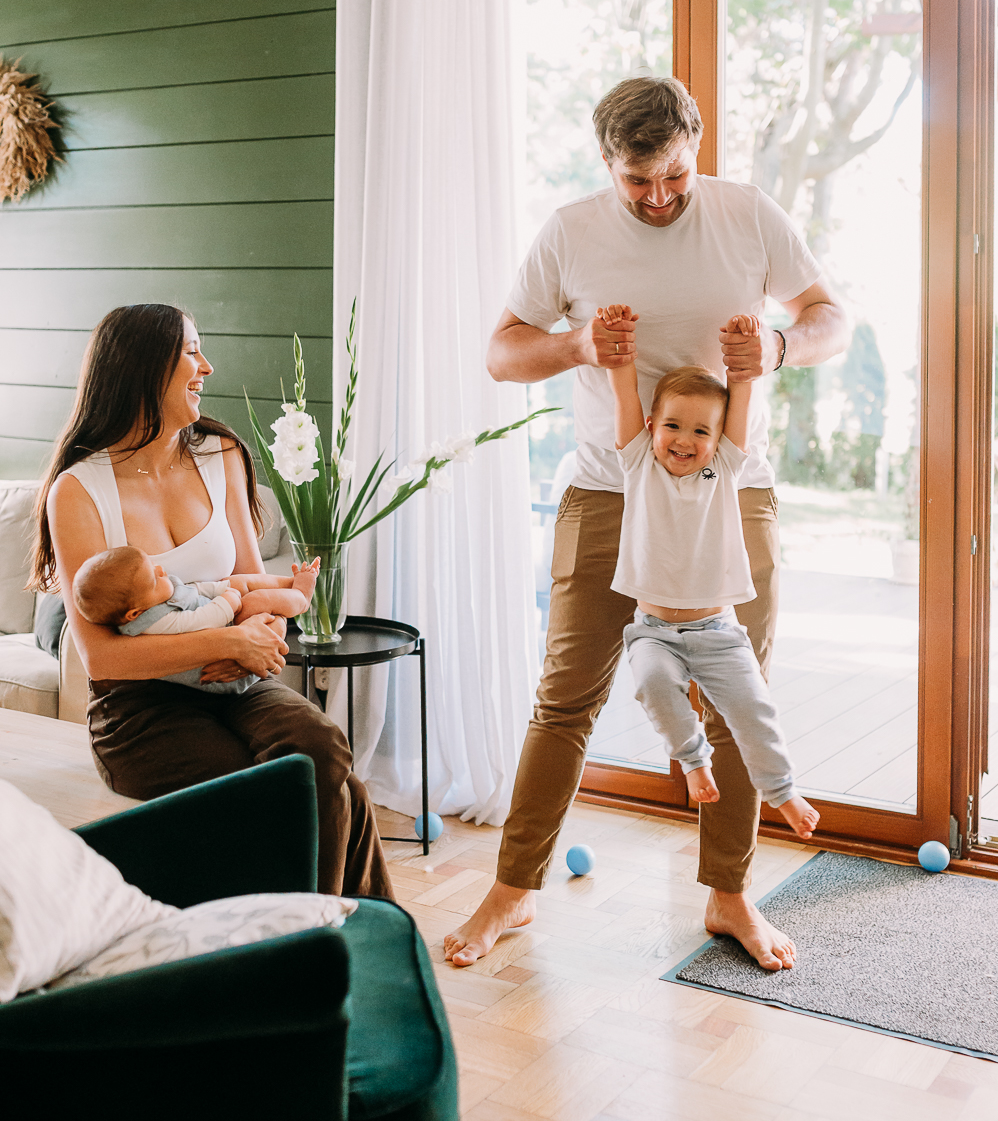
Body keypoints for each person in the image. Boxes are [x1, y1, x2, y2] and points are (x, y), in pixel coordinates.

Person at [443, 75, 847, 973]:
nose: (658, 198)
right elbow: (503, 352)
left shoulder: (748, 215)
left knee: (741, 702)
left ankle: (730, 895)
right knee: (566, 700)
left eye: (672, 176)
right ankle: (513, 890)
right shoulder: (571, 233)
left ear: (694, 145)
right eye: (637, 183)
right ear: (607, 167)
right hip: (607, 498)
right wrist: (577, 346)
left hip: (729, 501)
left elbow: (831, 317)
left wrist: (781, 346)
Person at [31, 303, 393, 900]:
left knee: (324, 750)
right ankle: (332, 941)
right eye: (191, 352)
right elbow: (102, 659)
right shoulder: (77, 491)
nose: (208, 366)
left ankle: (327, 940)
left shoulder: (220, 454)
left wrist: (261, 634)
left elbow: (256, 585)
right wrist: (226, 639)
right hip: (140, 708)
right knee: (286, 789)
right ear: (144, 369)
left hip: (236, 681)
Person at [603, 303, 819, 839]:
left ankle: (783, 791)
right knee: (652, 682)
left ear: (719, 439)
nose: (683, 439)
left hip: (718, 632)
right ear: (651, 427)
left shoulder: (724, 466)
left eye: (700, 430)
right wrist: (619, 344)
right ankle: (692, 760)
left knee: (754, 711)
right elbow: (623, 389)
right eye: (672, 425)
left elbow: (738, 399)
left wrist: (743, 360)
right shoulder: (637, 463)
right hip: (652, 631)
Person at [72, 545, 321, 696]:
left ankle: (290, 584)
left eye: (154, 565)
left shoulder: (152, 598)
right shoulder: (153, 623)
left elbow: (196, 591)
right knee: (254, 602)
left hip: (238, 639)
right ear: (134, 614)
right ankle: (300, 597)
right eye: (153, 577)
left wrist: (223, 588)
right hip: (225, 670)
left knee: (238, 582)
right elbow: (200, 621)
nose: (161, 570)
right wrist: (229, 601)